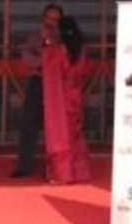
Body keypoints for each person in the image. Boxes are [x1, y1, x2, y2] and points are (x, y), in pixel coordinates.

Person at [10, 3, 63, 178]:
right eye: (49, 18)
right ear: (43, 18)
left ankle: (57, 167)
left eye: (56, 19)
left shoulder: (64, 38)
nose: (52, 22)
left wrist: (47, 59)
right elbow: (28, 59)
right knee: (29, 122)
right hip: (38, 81)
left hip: (58, 84)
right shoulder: (34, 37)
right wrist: (46, 59)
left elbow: (64, 61)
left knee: (57, 125)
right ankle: (24, 165)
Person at [42, 15, 91, 184]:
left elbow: (51, 70)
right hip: (75, 92)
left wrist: (47, 44)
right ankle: (78, 172)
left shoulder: (56, 50)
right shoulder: (81, 50)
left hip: (60, 95)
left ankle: (62, 173)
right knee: (75, 133)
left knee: (60, 134)